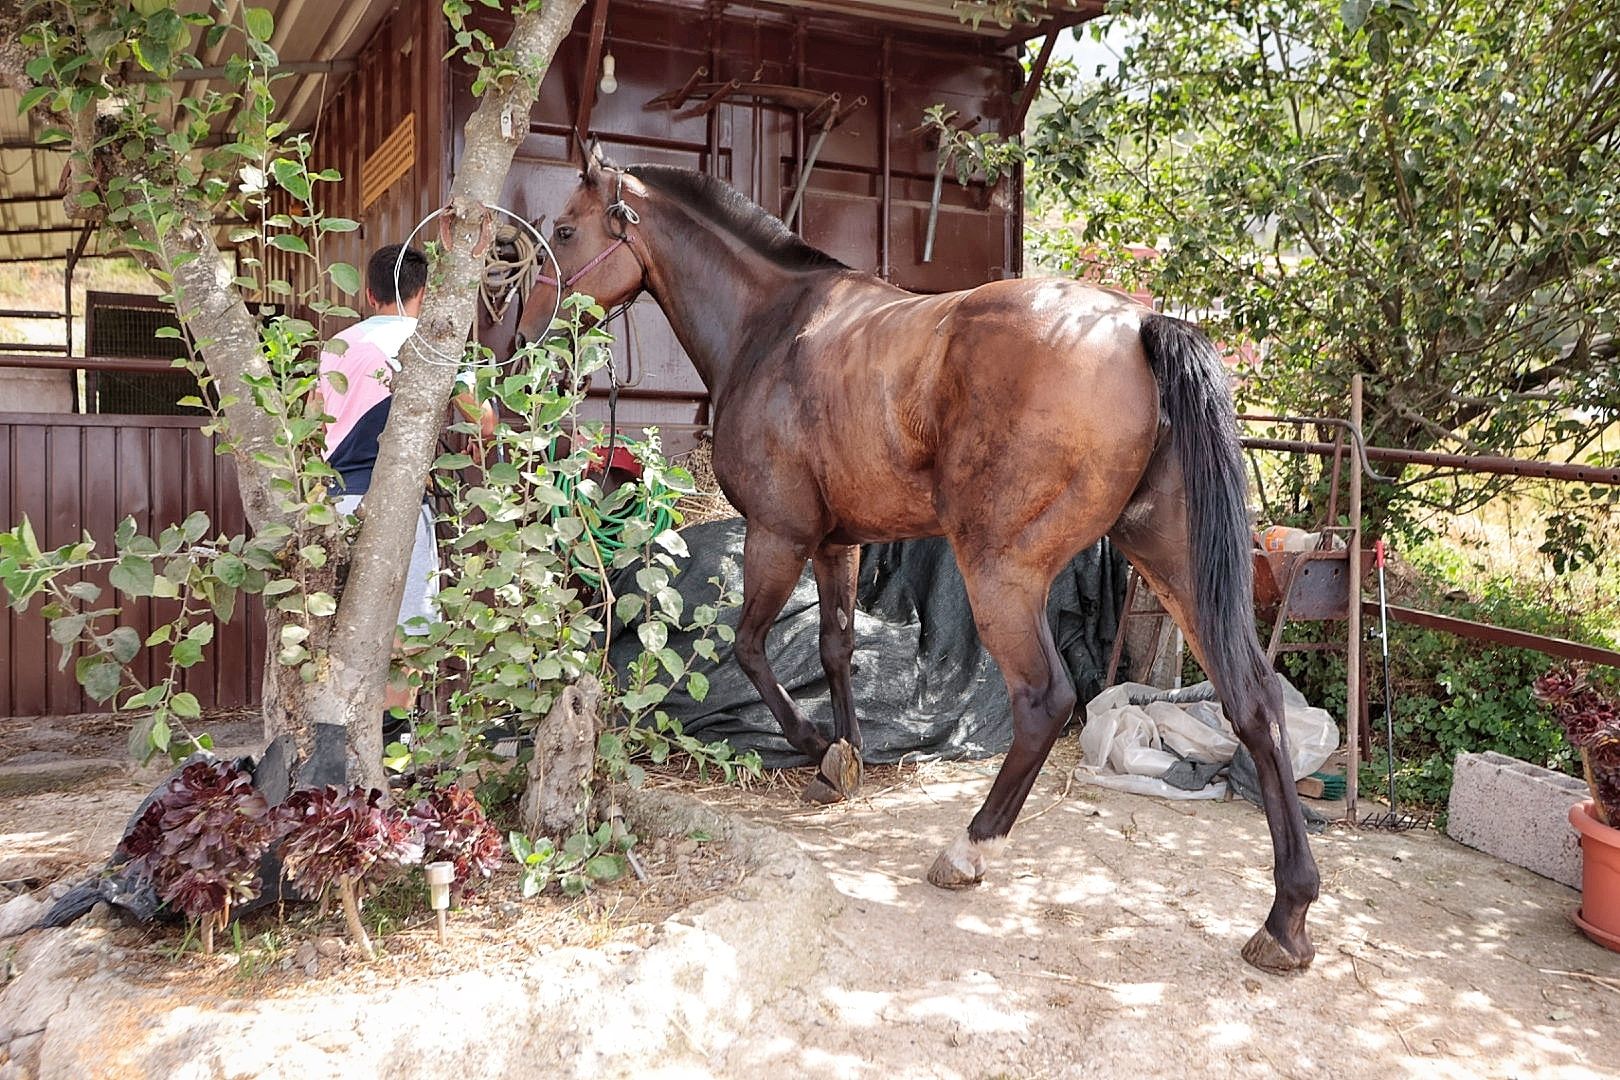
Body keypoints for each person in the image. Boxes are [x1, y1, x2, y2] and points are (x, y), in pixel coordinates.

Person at [315, 244, 494, 733]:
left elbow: (313, 426)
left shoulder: (336, 345)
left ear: (370, 293)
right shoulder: (436, 344)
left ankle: (339, 735)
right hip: (395, 505)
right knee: (408, 626)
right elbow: (483, 423)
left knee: (338, 624)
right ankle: (393, 743)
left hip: (334, 502)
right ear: (426, 292)